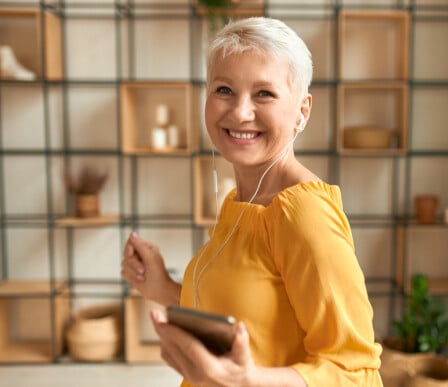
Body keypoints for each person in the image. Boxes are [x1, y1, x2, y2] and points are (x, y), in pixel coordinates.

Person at [121, 16, 383, 387]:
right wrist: (162, 287)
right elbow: (245, 319)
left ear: (302, 111)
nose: (240, 112)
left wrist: (248, 380)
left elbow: (356, 371)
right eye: (224, 89)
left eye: (264, 93)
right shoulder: (239, 200)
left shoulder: (304, 214)